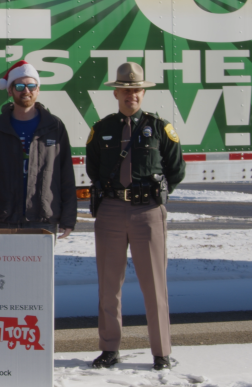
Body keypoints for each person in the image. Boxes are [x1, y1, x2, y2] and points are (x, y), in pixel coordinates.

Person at [86, 62, 185, 371]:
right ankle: (109, 348)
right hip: (112, 210)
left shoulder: (159, 127)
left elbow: (176, 169)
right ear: (116, 92)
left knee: (155, 286)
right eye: (126, 90)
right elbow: (93, 168)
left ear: (143, 92)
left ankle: (161, 352)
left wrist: (156, 194)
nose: (132, 95)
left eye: (137, 90)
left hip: (148, 211)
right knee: (109, 285)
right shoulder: (102, 129)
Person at [0, 60, 77, 238]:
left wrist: (68, 218)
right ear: (10, 90)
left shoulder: (54, 126)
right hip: (1, 218)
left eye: (31, 85)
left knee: (38, 267)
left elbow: (66, 174)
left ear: (38, 89)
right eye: (20, 86)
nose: (26, 90)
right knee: (1, 267)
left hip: (42, 218)